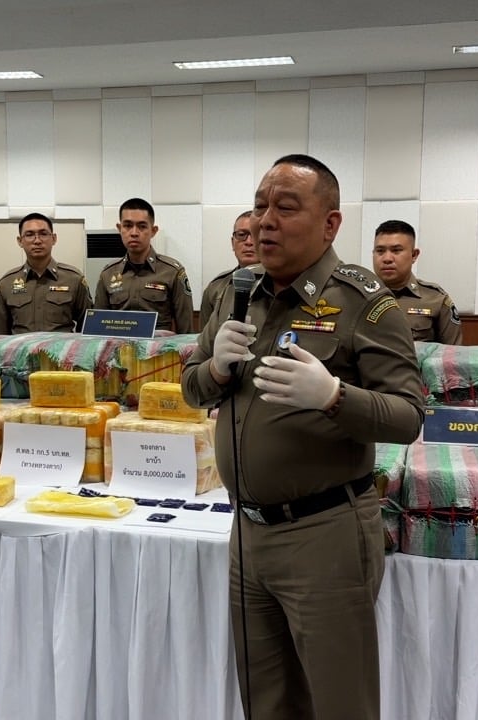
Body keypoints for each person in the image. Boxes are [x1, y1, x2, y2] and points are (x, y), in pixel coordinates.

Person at [181, 155, 424, 720]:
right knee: (266, 701)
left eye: (286, 208)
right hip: (247, 532)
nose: (265, 220)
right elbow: (192, 388)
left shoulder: (363, 302)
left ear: (330, 224)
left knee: (339, 704)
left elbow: (408, 417)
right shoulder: (236, 293)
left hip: (324, 533)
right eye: (260, 205)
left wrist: (335, 397)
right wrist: (214, 370)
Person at [95, 198, 193, 333]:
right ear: (119, 228)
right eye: (128, 226)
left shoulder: (172, 272)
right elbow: (98, 329)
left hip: (159, 346)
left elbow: (186, 331)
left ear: (153, 231)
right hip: (118, 346)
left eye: (142, 226)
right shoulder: (108, 274)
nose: (134, 233)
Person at [0, 213, 93, 334]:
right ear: (20, 241)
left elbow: (89, 330)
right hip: (21, 347)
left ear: (54, 238)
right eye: (29, 235)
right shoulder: (6, 284)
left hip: (60, 347)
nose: (37, 241)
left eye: (43, 234)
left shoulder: (74, 279)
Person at [371, 219, 462, 344]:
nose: (387, 259)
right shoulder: (357, 297)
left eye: (396, 250)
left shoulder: (436, 299)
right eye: (380, 251)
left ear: (414, 255)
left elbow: (453, 353)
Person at [199, 211, 261, 326]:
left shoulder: (280, 285)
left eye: (255, 235)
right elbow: (204, 335)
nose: (249, 242)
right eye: (241, 235)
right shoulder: (216, 287)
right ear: (233, 243)